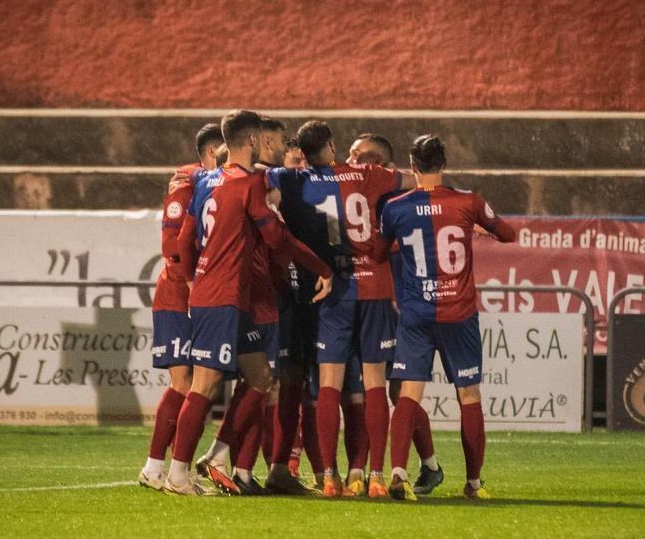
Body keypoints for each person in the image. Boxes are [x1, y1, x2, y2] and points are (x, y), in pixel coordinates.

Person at [164, 110, 331, 496]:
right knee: (203, 385)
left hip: (225, 294)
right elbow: (276, 240)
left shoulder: (205, 179)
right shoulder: (250, 183)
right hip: (221, 295)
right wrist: (321, 266)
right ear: (254, 140)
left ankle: (217, 456)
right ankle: (175, 474)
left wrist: (193, 278)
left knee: (259, 378)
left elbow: (187, 235)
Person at [266, 121, 414, 498]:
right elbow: (415, 182)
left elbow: (259, 178)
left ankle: (329, 476)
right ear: (332, 146)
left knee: (328, 384)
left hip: (332, 288)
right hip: (375, 286)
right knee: (374, 382)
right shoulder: (367, 173)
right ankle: (375, 475)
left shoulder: (294, 179)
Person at [377, 135, 516, 501]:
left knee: (408, 393)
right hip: (459, 313)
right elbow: (509, 234)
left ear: (412, 165)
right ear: (443, 164)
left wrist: (403, 241)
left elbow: (378, 252)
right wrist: (480, 226)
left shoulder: (396, 207)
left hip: (417, 313)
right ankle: (473, 484)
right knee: (469, 395)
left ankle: (398, 473)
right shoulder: (469, 202)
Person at [354, 132, 444, 494]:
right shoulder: (365, 196)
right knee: (392, 393)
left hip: (397, 306)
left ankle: (383, 471)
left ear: (383, 166)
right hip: (381, 304)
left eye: (358, 157)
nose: (351, 163)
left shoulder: (400, 202)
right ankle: (430, 466)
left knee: (394, 391)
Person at [139, 124, 223, 490]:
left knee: (199, 384)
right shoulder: (187, 182)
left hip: (201, 293)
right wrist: (192, 279)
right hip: (178, 293)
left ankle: (162, 469)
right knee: (186, 383)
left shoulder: (214, 183)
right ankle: (162, 468)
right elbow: (172, 243)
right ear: (209, 155)